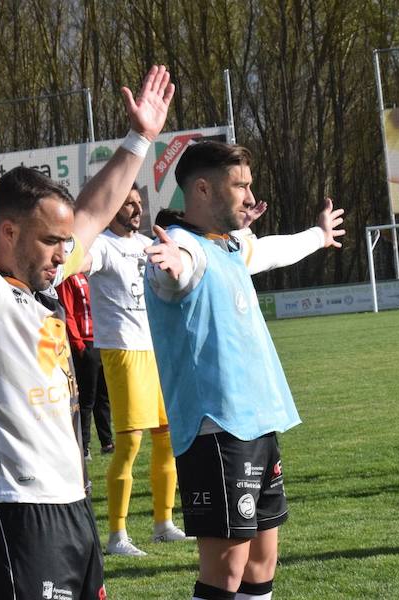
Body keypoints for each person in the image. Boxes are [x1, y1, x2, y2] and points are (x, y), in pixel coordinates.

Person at [0, 65, 172, 598]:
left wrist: (140, 138)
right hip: (14, 513)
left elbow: (93, 210)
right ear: (8, 232)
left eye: (65, 244)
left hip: (73, 505)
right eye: (51, 241)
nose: (63, 254)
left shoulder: (43, 286)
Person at [143, 140, 344, 600]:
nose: (250, 197)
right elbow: (177, 271)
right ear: (202, 190)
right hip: (218, 429)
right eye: (240, 186)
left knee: (261, 562)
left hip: (257, 422)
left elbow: (270, 250)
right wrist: (169, 268)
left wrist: (317, 235)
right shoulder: (185, 249)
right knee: (225, 569)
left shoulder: (228, 248)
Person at [83, 185, 186, 556]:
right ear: (111, 208)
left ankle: (163, 523)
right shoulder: (101, 246)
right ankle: (117, 536)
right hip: (123, 350)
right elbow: (78, 262)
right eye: (128, 203)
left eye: (139, 203)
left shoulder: (146, 244)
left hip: (155, 348)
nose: (136, 209)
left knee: (167, 437)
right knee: (129, 443)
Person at [56, 272, 114, 461]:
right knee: (86, 399)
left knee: (103, 396)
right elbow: (68, 311)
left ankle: (107, 442)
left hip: (102, 341)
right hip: (85, 343)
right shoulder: (70, 278)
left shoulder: (94, 275)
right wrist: (78, 343)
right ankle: (84, 446)